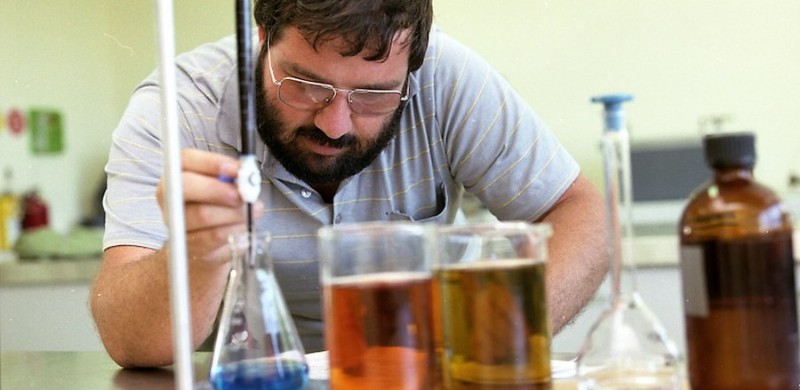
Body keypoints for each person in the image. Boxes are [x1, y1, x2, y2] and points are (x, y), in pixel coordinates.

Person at [90, 0, 608, 368]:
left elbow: (578, 211)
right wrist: (197, 254)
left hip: (418, 389)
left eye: (374, 95)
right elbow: (129, 340)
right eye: (305, 85)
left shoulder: (449, 80)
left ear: (412, 71)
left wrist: (499, 338)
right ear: (262, 38)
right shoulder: (180, 108)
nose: (334, 124)